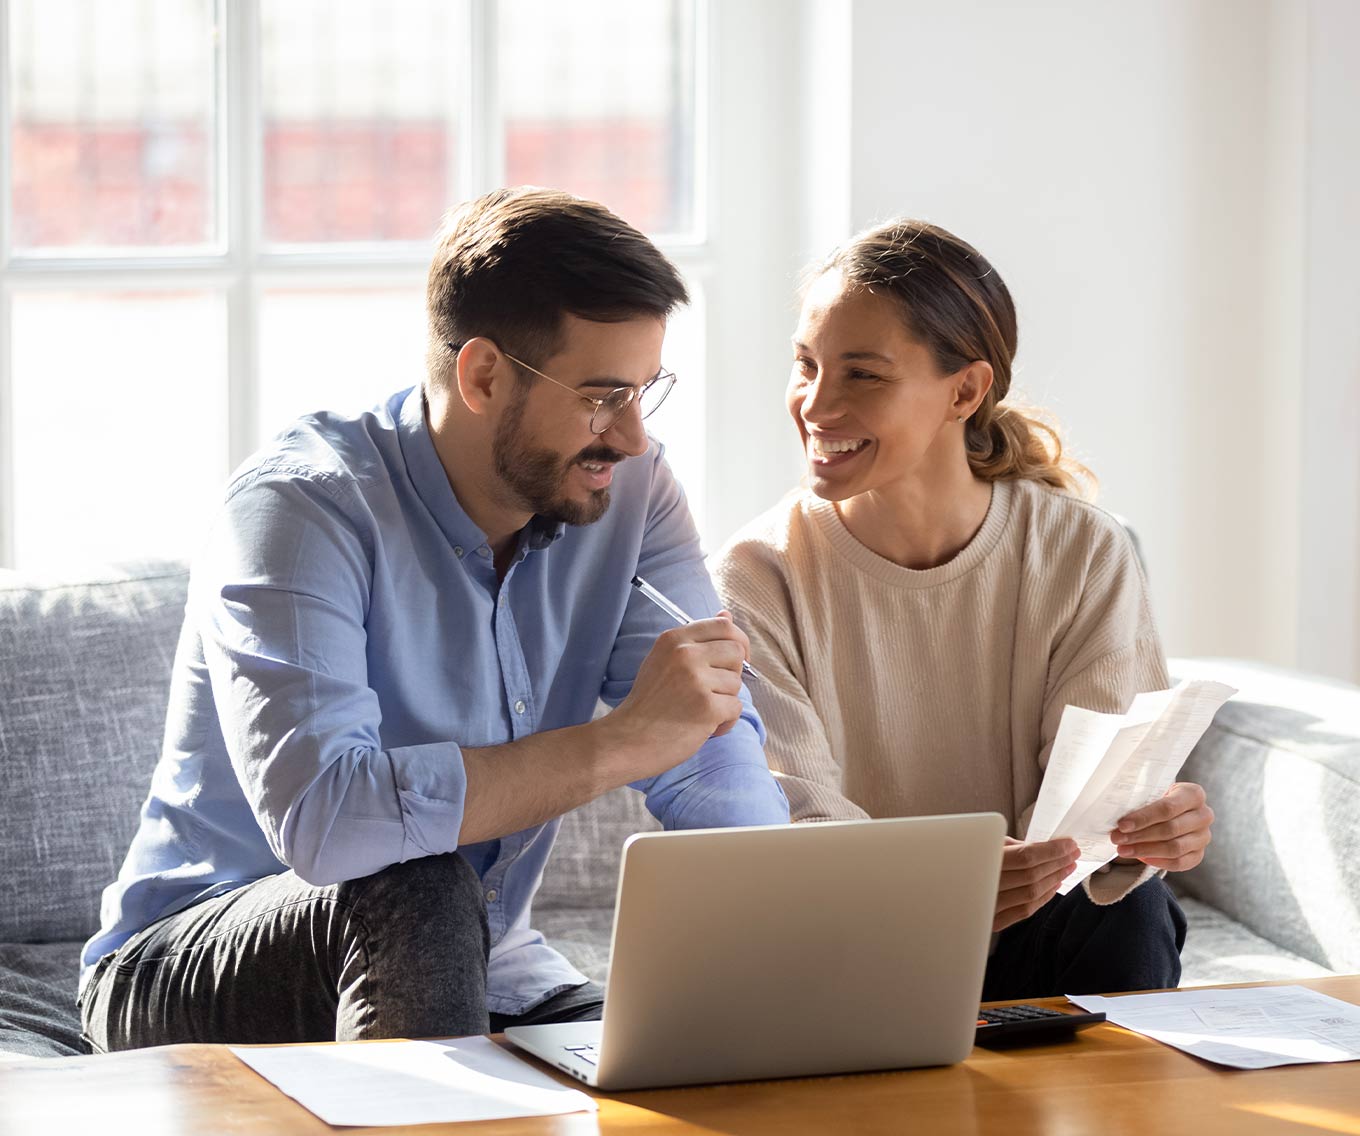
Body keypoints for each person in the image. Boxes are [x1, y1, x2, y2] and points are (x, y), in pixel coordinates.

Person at [79, 187, 788, 1051]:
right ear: (484, 374)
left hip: (489, 963)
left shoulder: (631, 492)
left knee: (698, 1059)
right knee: (415, 883)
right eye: (603, 396)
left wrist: (779, 935)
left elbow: (708, 739)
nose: (632, 436)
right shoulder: (300, 512)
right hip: (190, 957)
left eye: (646, 391)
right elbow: (330, 822)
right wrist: (620, 742)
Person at [713, 219, 1210, 1000]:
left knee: (1132, 911)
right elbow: (794, 823)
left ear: (966, 390)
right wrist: (950, 884)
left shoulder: (1082, 551)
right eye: (805, 365)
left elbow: (1095, 815)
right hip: (853, 943)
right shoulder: (756, 575)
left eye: (862, 375)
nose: (815, 403)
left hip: (1040, 926)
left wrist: (1148, 832)